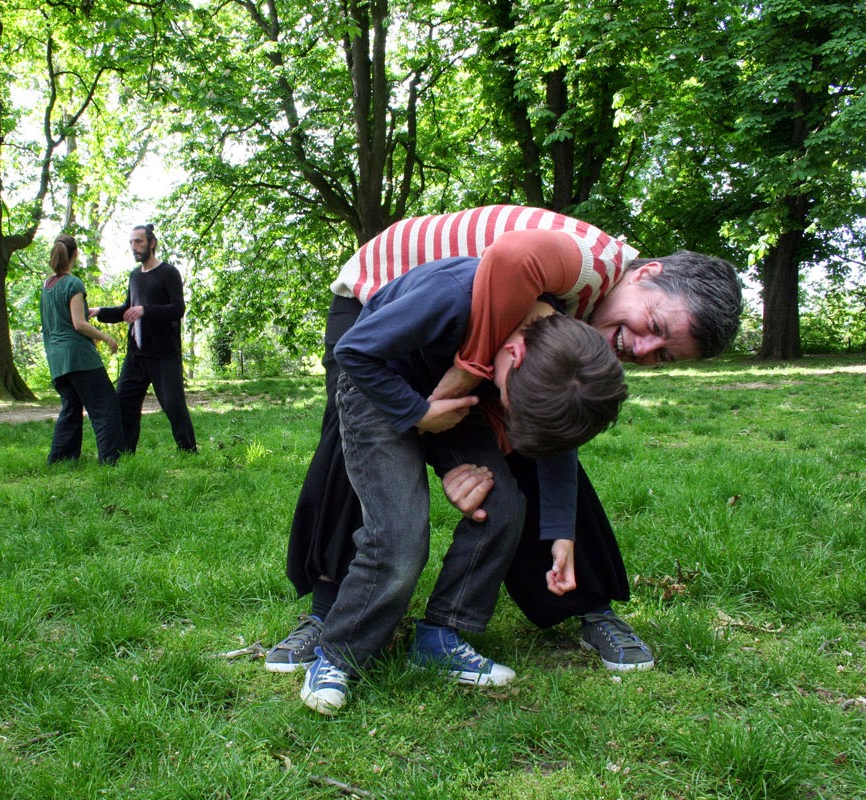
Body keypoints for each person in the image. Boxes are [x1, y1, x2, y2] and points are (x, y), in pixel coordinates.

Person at [268, 206, 742, 676]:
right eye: (655, 327)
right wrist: (465, 374)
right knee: (357, 439)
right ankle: (328, 610)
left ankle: (585, 602)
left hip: (458, 331)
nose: (641, 350)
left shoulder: (582, 325)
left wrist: (550, 522)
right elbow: (514, 256)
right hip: (379, 298)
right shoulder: (595, 261)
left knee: (545, 420)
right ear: (647, 274)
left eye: (663, 356)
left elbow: (547, 433)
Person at [300, 255, 629, 716]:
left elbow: (558, 446)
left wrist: (561, 534)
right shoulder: (452, 298)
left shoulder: (562, 353)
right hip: (376, 389)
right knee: (400, 537)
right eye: (513, 405)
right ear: (513, 354)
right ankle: (338, 656)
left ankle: (439, 636)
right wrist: (417, 414)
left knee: (504, 507)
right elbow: (353, 352)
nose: (508, 414)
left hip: (456, 399)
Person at [91, 224, 197, 453]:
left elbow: (178, 309)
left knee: (173, 405)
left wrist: (145, 310)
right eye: (131, 242)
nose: (134, 247)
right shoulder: (134, 276)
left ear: (152, 243)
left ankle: (188, 450)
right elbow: (126, 309)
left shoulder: (169, 273)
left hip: (164, 354)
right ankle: (125, 452)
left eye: (138, 241)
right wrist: (99, 311)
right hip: (136, 355)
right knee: (124, 404)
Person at [41, 234, 127, 465]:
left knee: (71, 408)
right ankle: (112, 459)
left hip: (57, 358)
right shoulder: (73, 284)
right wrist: (106, 338)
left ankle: (61, 459)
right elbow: (79, 324)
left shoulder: (47, 285)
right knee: (105, 407)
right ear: (75, 254)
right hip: (79, 357)